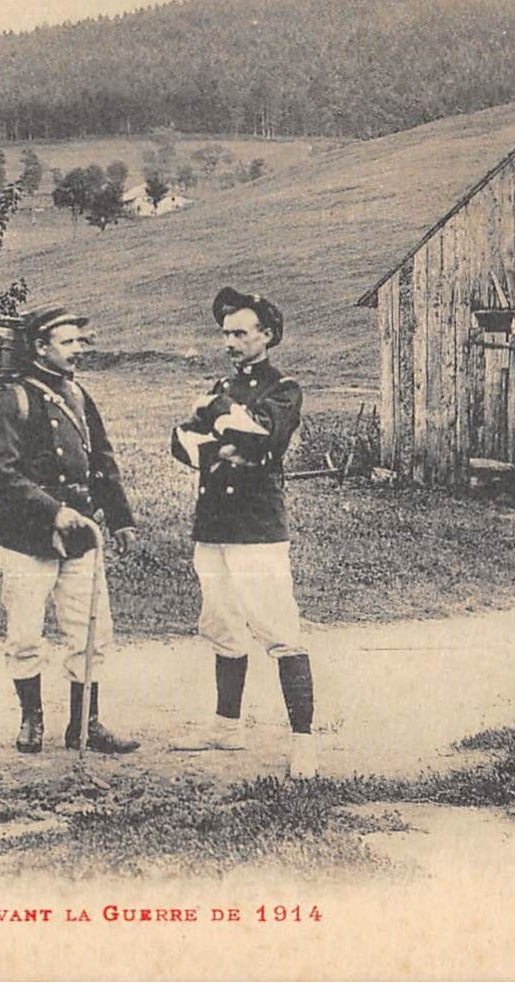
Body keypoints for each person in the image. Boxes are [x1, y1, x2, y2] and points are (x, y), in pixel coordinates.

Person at [0, 305, 140, 755]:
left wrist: (121, 518)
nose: (77, 351)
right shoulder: (14, 400)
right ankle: (31, 719)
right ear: (39, 347)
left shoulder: (78, 395)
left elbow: (102, 461)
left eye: (79, 342)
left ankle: (84, 724)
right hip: (26, 537)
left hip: (81, 534)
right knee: (26, 634)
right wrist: (52, 511)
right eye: (67, 343)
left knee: (89, 632)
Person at [169, 287, 316, 779]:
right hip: (213, 525)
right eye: (225, 332)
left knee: (277, 626)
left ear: (267, 335)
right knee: (223, 624)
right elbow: (180, 441)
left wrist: (218, 418)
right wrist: (222, 442)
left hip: (257, 527)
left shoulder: (285, 389)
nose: (229, 341)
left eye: (239, 332)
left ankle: (304, 741)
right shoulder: (220, 387)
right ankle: (226, 727)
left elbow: (260, 434)